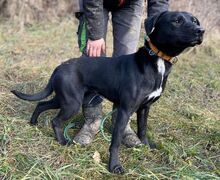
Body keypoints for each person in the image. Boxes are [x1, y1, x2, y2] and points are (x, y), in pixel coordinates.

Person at [73, 0, 169, 147]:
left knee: (129, 62)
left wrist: (159, 26)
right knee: (93, 59)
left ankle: (122, 122)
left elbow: (159, 2)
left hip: (130, 4)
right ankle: (92, 120)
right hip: (94, 3)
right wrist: (95, 35)